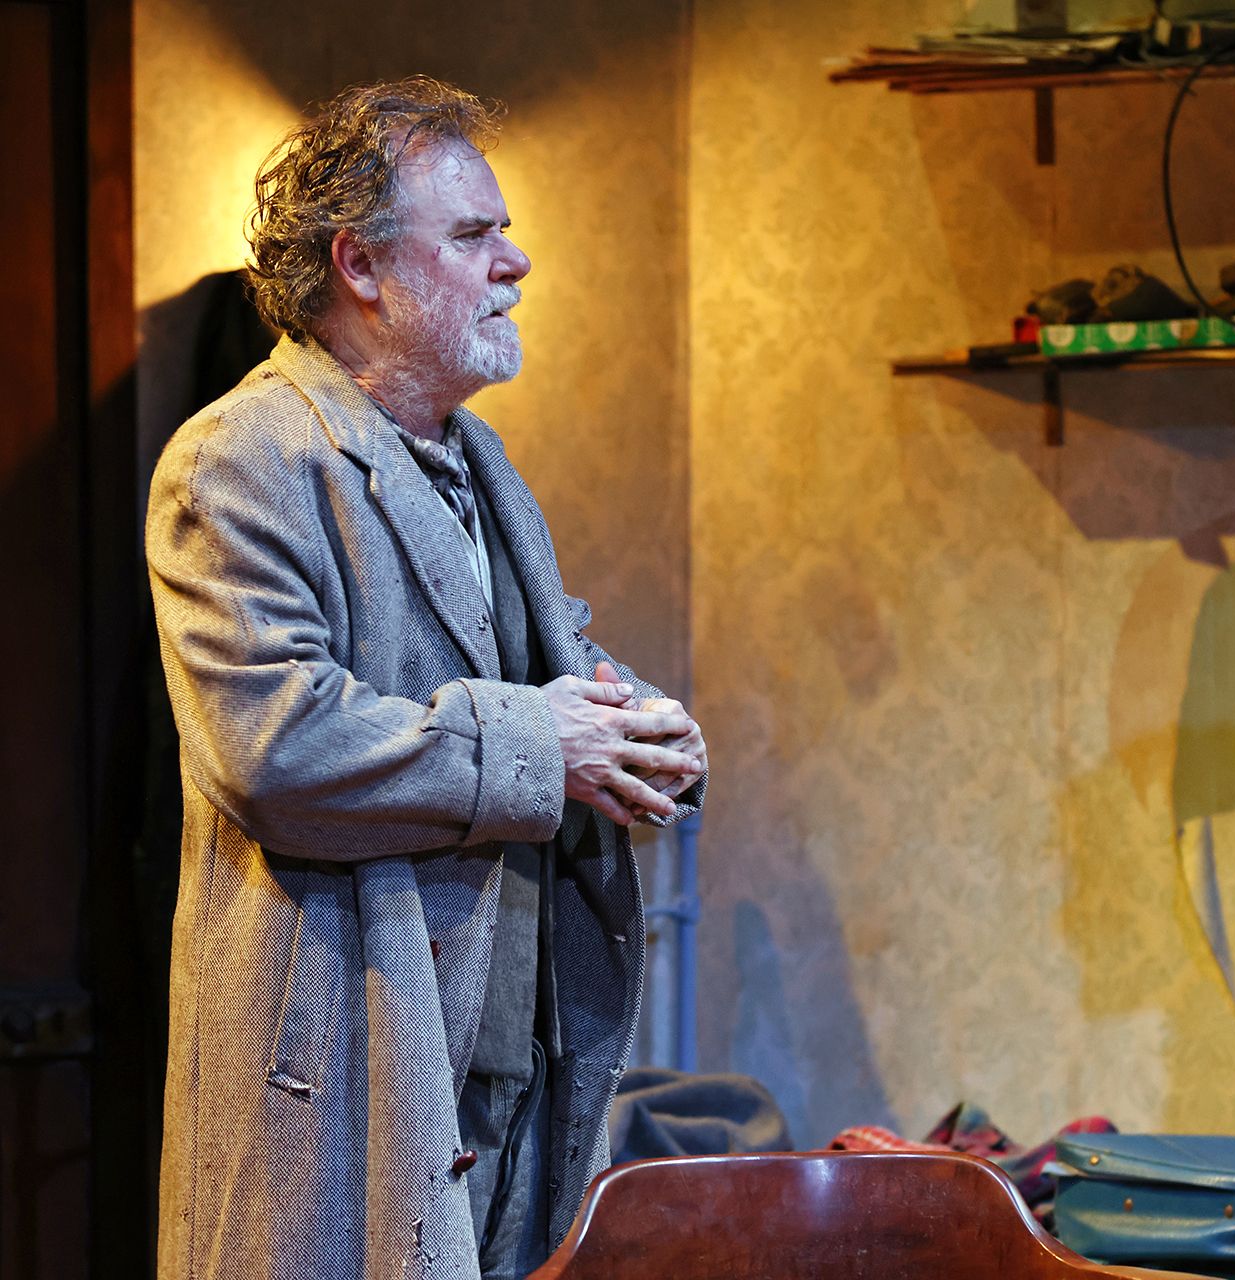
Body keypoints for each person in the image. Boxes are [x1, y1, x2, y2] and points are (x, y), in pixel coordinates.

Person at [146, 76, 706, 1280]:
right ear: (360, 264)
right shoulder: (240, 460)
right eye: (472, 234)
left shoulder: (476, 457)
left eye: (504, 230)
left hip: (504, 1080)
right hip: (349, 1088)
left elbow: (529, 660)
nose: (515, 262)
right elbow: (276, 746)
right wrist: (544, 742)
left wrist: (637, 726)